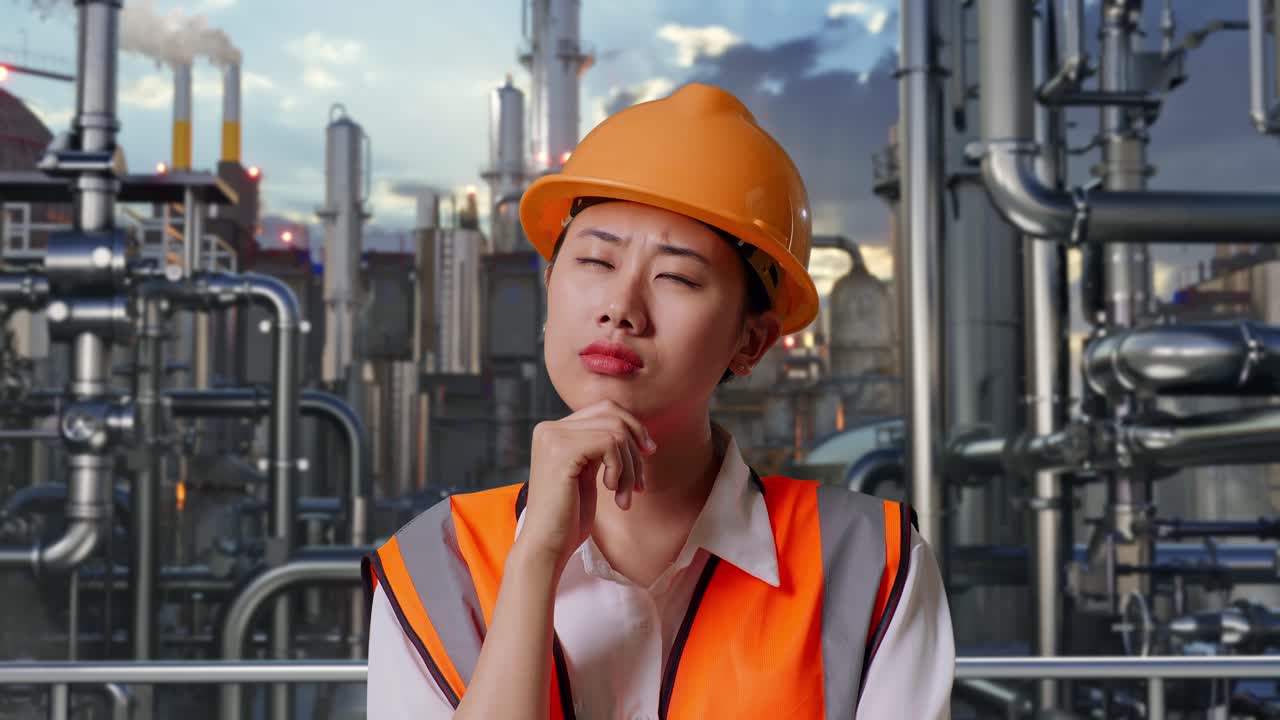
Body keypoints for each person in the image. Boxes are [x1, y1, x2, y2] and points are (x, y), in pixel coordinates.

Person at [364, 82, 955, 719]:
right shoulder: (435, 567)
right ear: (549, 288)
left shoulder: (869, 564)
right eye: (594, 261)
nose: (621, 307)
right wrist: (536, 558)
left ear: (750, 341)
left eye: (675, 276)